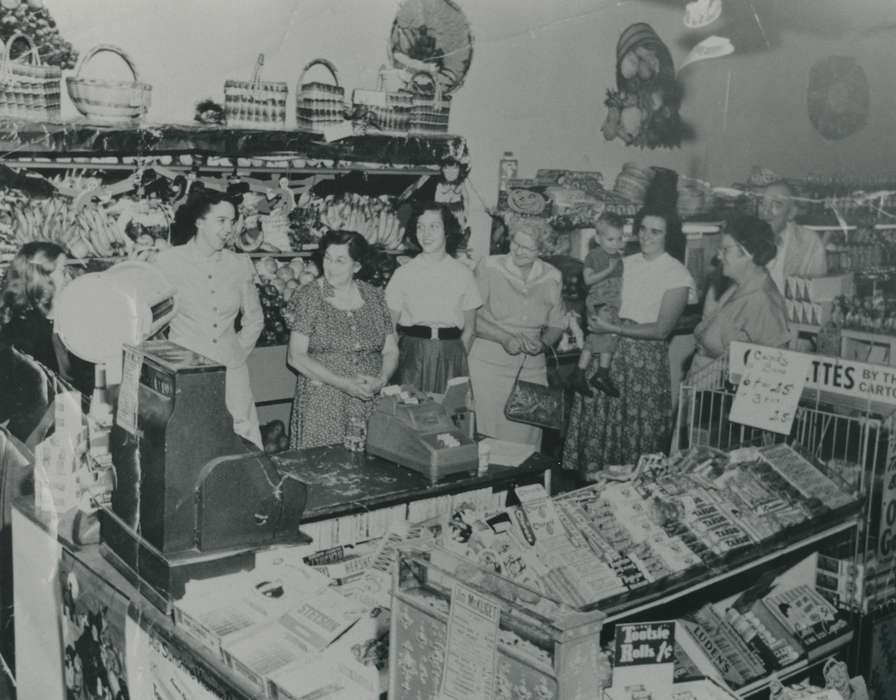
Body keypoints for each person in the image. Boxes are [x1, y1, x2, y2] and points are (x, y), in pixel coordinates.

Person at [562, 206, 696, 474]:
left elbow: (661, 330)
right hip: (606, 354)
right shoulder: (625, 262)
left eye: (656, 231)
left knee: (634, 430)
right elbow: (600, 294)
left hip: (642, 363)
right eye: (643, 228)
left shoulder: (676, 273)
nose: (646, 236)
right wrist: (594, 316)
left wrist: (617, 328)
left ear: (669, 236)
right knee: (598, 425)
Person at [154, 189, 264, 447]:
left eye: (232, 221)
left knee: (240, 444)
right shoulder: (168, 262)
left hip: (233, 376)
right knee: (192, 445)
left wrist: (235, 352)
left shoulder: (239, 264)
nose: (229, 228)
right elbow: (152, 321)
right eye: (221, 220)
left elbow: (255, 319)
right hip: (187, 375)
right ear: (199, 222)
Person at [285, 230, 399, 449]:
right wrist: (344, 384)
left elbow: (390, 350)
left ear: (356, 266)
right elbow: (296, 356)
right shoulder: (310, 296)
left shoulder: (374, 297)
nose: (330, 267)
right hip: (324, 403)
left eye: (340, 261)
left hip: (368, 402)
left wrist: (382, 379)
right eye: (327, 258)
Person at [468, 217, 565, 448]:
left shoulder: (553, 276)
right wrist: (504, 338)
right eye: (515, 243)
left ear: (542, 249)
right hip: (487, 368)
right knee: (486, 442)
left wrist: (542, 344)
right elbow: (472, 317)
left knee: (524, 444)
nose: (518, 251)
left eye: (527, 248)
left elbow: (557, 325)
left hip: (530, 371)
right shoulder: (489, 266)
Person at [385, 203, 481, 394]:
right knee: (411, 415)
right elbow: (390, 329)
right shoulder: (403, 273)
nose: (425, 233)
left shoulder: (463, 274)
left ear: (447, 231)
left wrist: (456, 358)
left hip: (452, 354)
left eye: (433, 226)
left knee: (449, 416)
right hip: (412, 354)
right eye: (420, 227)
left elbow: (470, 329)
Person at [689, 215, 790, 377]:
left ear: (749, 253)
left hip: (722, 394)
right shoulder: (736, 286)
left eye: (725, 250)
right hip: (703, 388)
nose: (719, 256)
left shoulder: (762, 299)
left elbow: (775, 368)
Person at [570, 212, 626, 397]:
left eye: (619, 239)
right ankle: (602, 374)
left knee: (593, 340)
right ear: (598, 238)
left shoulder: (618, 256)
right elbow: (588, 280)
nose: (615, 244)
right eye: (610, 239)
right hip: (601, 301)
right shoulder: (594, 255)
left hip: (611, 302)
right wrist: (608, 270)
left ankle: (579, 374)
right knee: (609, 336)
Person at [757, 180, 826, 294]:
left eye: (776, 204)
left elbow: (817, 293)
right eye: (762, 203)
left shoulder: (809, 242)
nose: (766, 211)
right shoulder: (744, 238)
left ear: (791, 213)